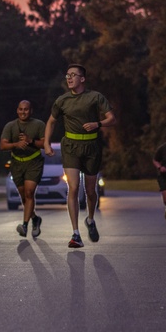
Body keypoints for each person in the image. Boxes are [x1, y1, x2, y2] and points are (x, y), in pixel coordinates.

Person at [44, 64, 116, 248]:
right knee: (73, 188)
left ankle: (90, 220)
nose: (69, 78)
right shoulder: (62, 100)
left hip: (92, 146)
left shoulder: (95, 97)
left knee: (91, 191)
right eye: (67, 75)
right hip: (70, 146)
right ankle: (75, 234)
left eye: (73, 75)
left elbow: (111, 118)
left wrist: (97, 124)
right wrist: (46, 143)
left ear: (82, 79)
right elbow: (51, 121)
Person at [0, 101, 45, 238]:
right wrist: (16, 144)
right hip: (17, 163)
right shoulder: (10, 126)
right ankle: (35, 219)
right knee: (24, 196)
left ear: (31, 111)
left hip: (34, 162)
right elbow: (2, 145)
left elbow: (44, 143)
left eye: (26, 109)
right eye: (21, 109)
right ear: (17, 110)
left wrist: (30, 141)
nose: (23, 112)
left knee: (29, 192)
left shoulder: (38, 124)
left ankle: (24, 226)